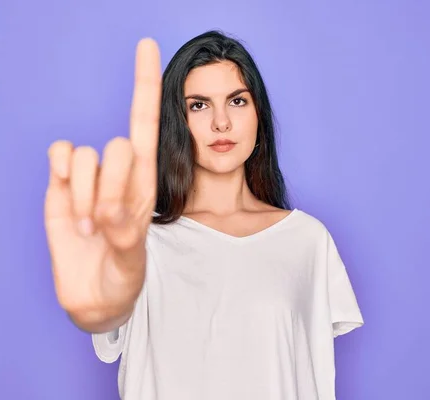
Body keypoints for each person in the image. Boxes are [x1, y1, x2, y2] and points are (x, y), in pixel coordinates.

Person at [44, 30, 364, 400]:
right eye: (198, 105)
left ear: (259, 113)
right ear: (176, 122)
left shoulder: (307, 241)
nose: (221, 123)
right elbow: (106, 315)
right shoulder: (139, 243)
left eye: (237, 101)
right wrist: (99, 308)